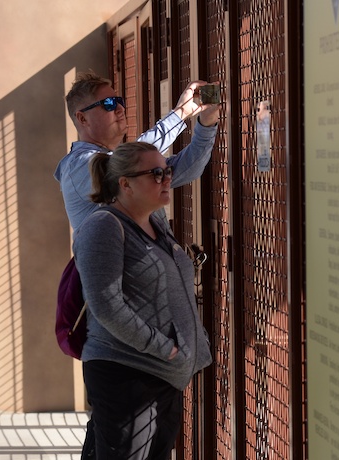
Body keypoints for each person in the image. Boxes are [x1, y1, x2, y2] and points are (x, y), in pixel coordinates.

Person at [72, 142, 213, 459]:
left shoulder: (155, 222)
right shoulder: (103, 226)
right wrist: (168, 349)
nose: (166, 179)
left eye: (167, 171)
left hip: (162, 375)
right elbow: (106, 306)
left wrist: (192, 344)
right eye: (156, 173)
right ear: (125, 184)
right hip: (126, 375)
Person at [54, 71, 220, 230]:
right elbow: (133, 159)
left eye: (119, 101)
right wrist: (181, 112)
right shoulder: (76, 166)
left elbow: (188, 168)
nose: (120, 108)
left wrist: (207, 124)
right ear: (82, 118)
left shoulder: (125, 165)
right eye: (109, 104)